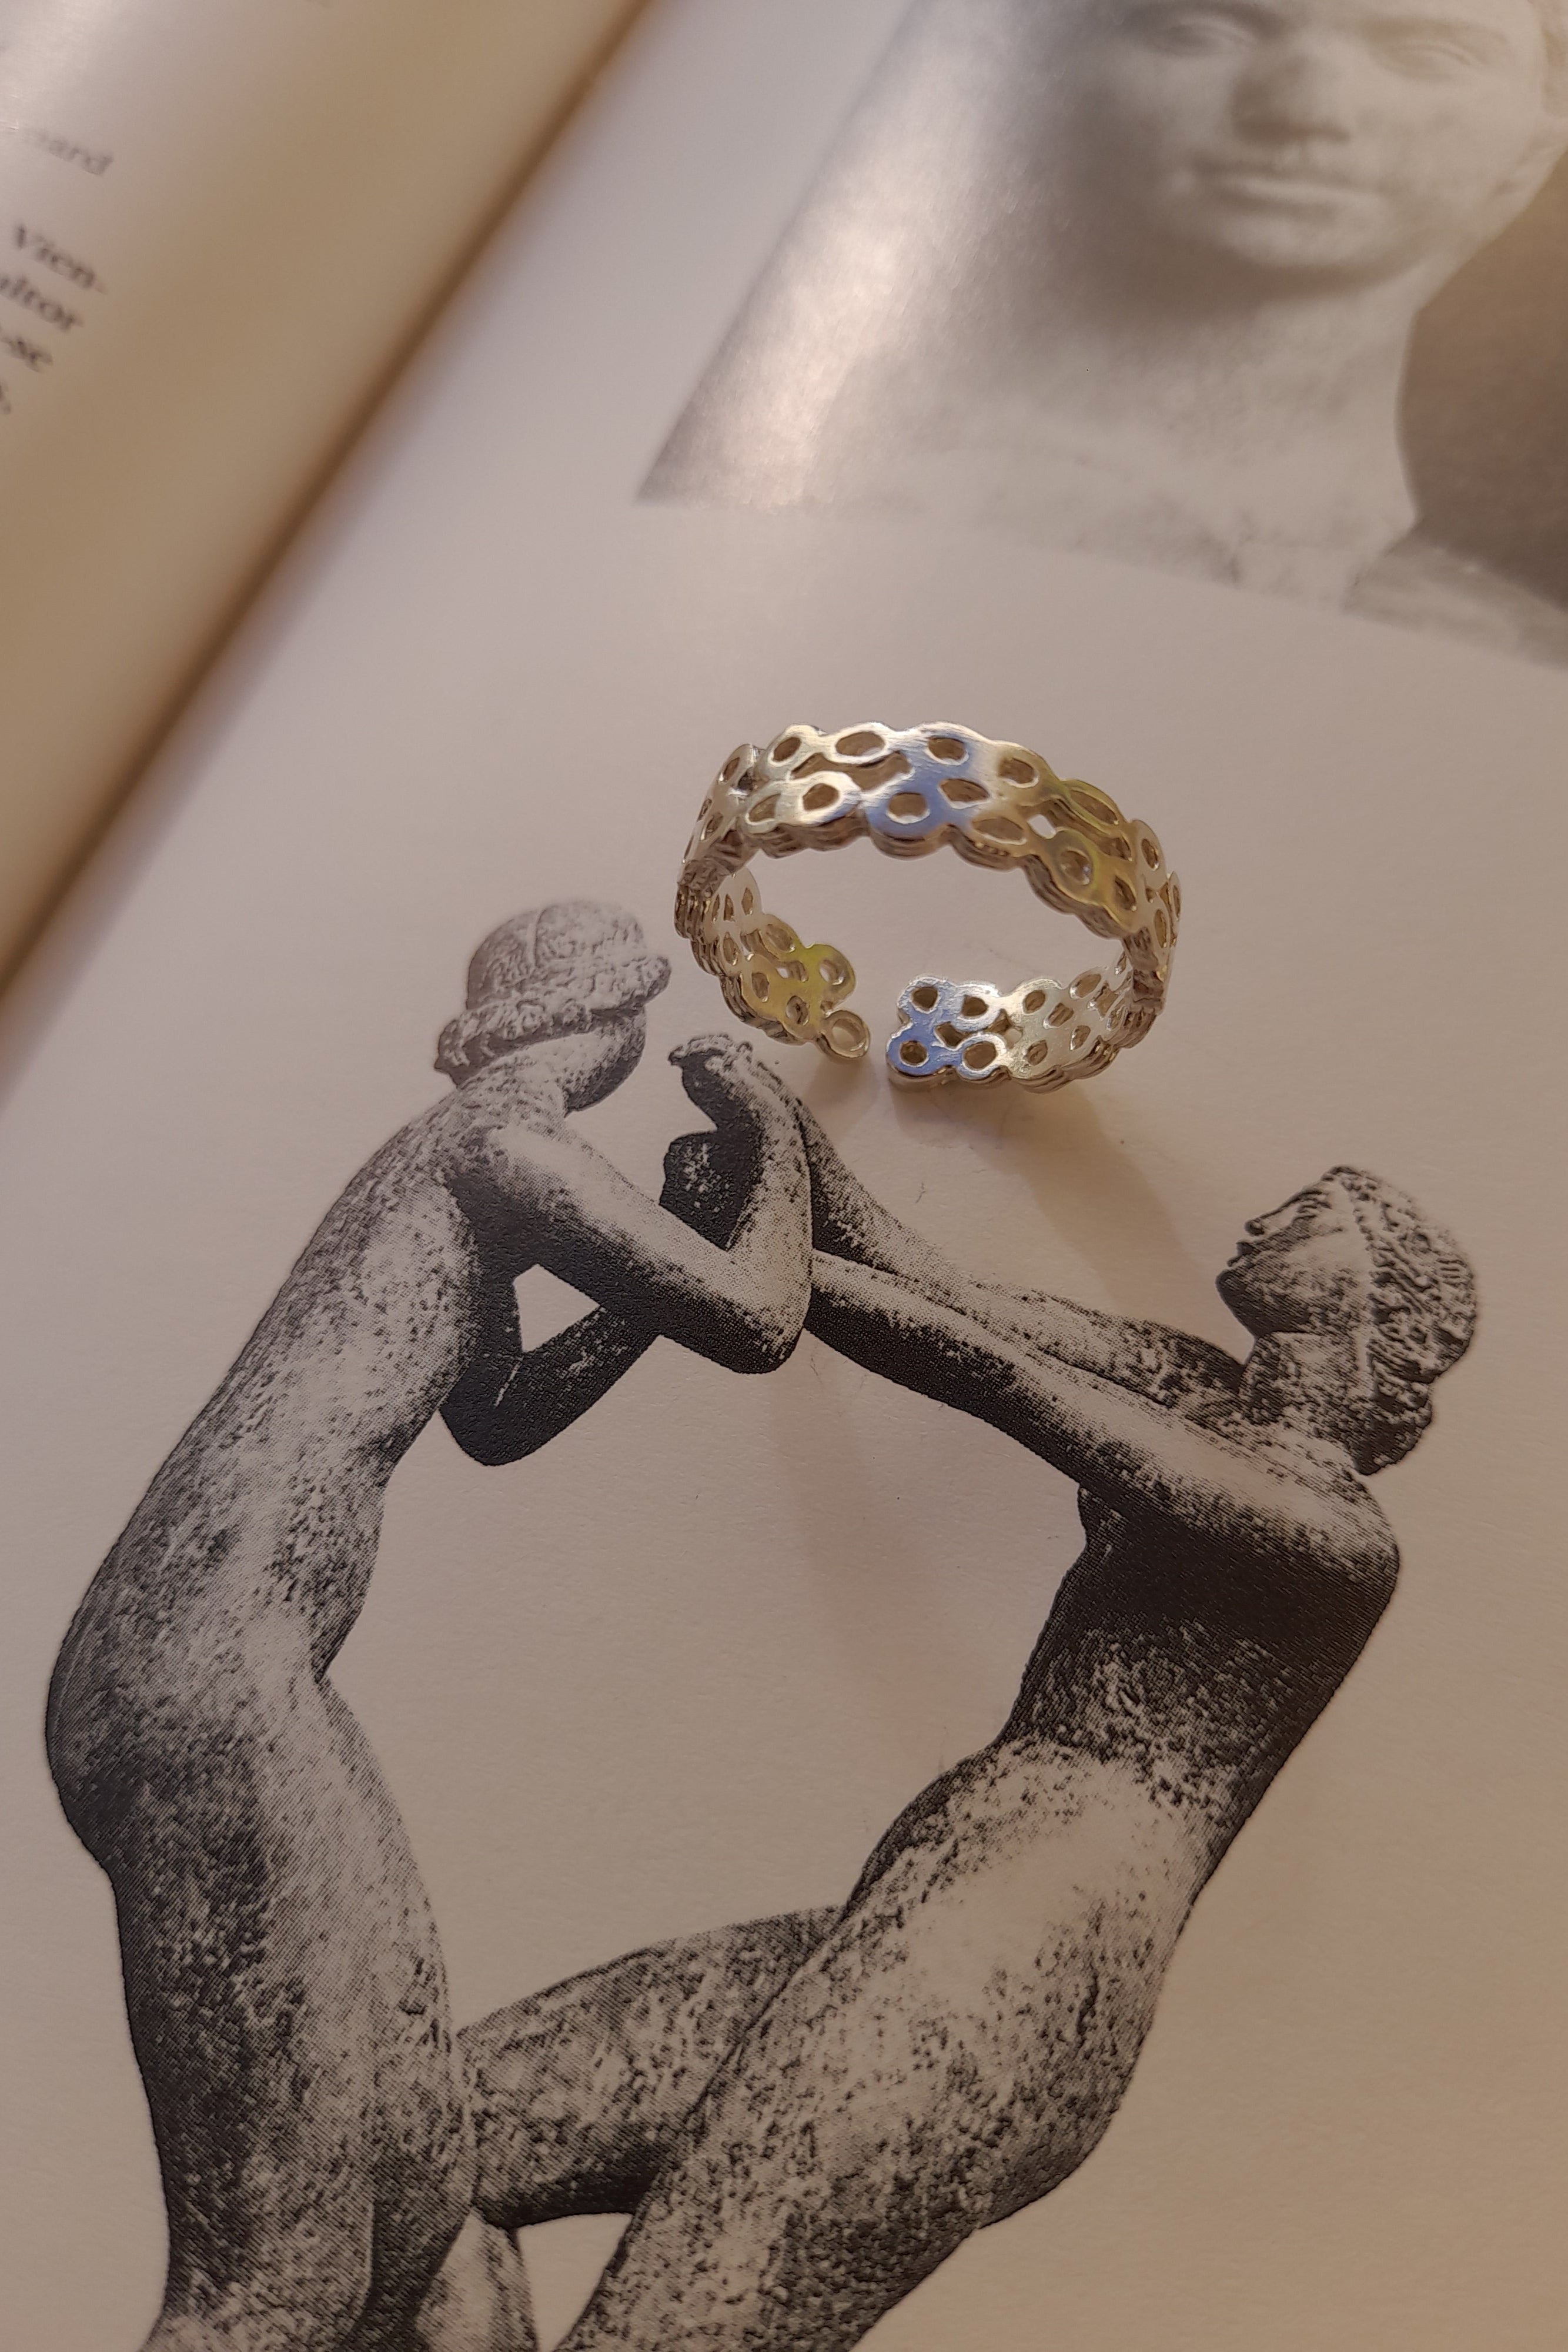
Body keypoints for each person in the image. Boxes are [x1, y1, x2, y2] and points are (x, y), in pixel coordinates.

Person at [427, 1099, 1477, 2351]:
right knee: (425, 2157)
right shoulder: (1197, 1386)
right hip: (926, 1908)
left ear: (1374, 1301)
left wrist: (696, 1242)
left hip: (1019, 1964)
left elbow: (994, 1375)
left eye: (1312, 1213)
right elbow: (935, 1283)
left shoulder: (1329, 1538)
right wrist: (779, 1129)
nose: (1265, 1218)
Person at [45, 903, 814, 2352]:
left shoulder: (467, 1154)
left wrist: (678, 1248)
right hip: (213, 1670)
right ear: (611, 1015)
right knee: (277, 2281)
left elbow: (497, 1413)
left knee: (416, 2204)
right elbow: (760, 1317)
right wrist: (775, 1137)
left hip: (238, 1671)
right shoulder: (500, 1143)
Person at [650, 0, 1568, 656]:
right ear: (1040, 75)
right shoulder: (843, 500)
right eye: (1200, 33)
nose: (1306, 111)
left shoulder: (1492, 636)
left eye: (1429, 54)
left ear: (1542, 127)